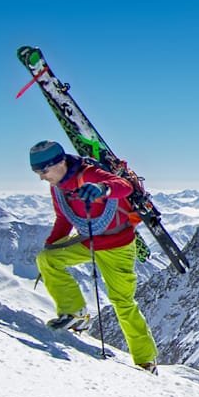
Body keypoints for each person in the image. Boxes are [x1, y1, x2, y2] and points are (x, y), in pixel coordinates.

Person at [29, 140, 158, 374]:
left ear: (58, 163)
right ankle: (76, 314)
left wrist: (102, 190)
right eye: (37, 172)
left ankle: (145, 360)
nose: (41, 177)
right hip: (89, 241)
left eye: (43, 171)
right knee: (47, 259)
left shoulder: (88, 173)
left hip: (118, 246)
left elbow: (123, 186)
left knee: (123, 303)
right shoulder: (58, 187)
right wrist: (52, 247)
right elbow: (64, 218)